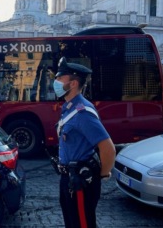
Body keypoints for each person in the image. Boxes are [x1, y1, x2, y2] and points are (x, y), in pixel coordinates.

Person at [53, 57, 116, 228]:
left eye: (60, 78)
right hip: (68, 178)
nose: (55, 82)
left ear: (73, 83)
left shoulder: (82, 112)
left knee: (82, 224)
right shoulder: (69, 108)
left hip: (80, 181)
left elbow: (108, 148)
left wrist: (101, 175)